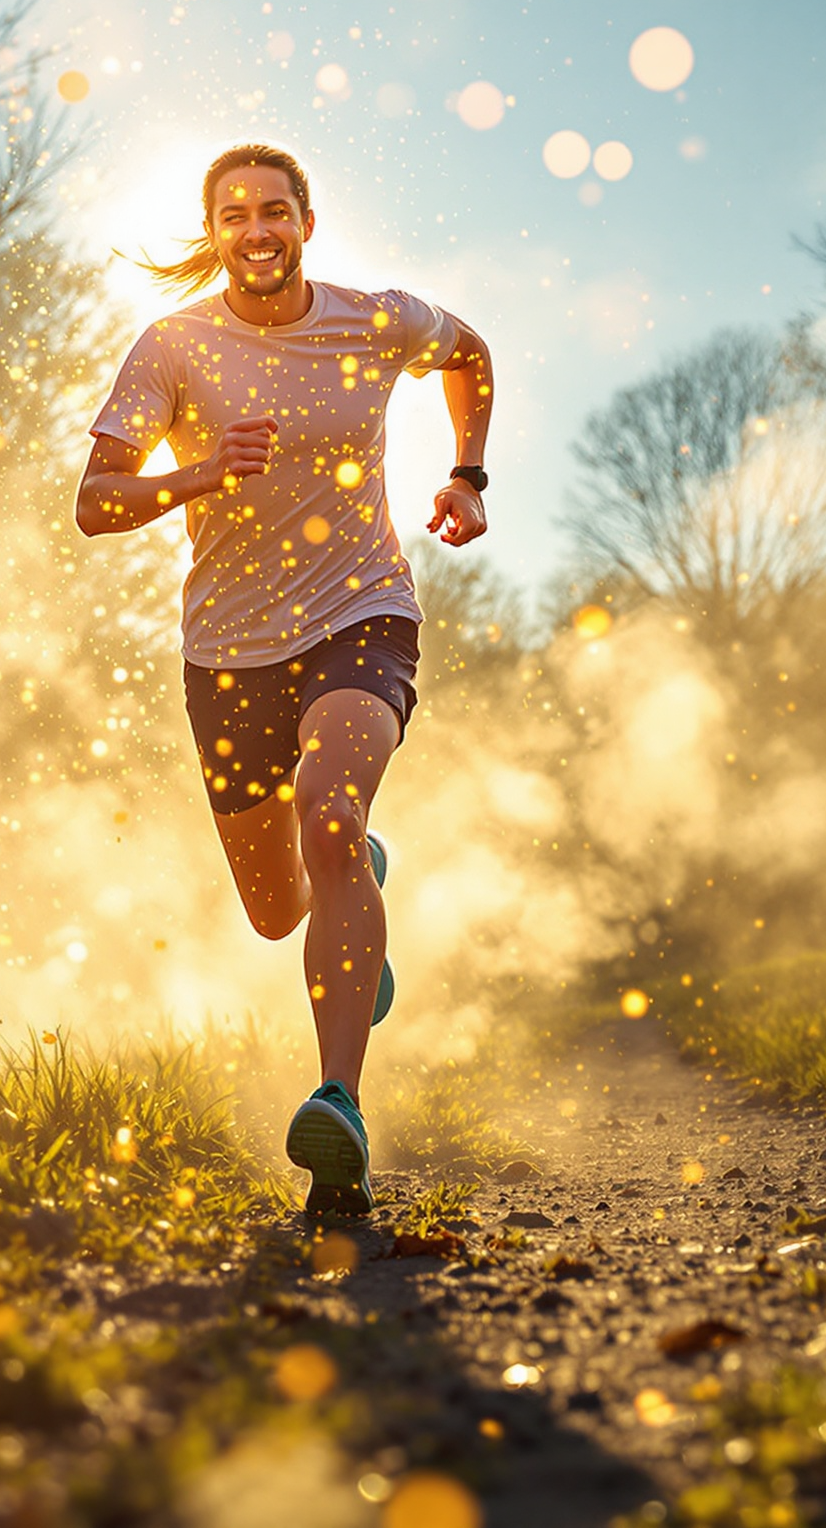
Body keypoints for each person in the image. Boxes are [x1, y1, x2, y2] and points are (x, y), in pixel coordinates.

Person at [73, 143, 492, 1209]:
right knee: (275, 908)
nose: (255, 229)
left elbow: (471, 351)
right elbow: (96, 498)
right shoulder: (171, 347)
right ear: (214, 232)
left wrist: (467, 474)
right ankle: (354, 885)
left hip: (363, 614)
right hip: (228, 654)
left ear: (307, 219)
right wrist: (198, 470)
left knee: (331, 812)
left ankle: (339, 1104)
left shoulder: (377, 318)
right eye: (232, 215)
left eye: (273, 210)